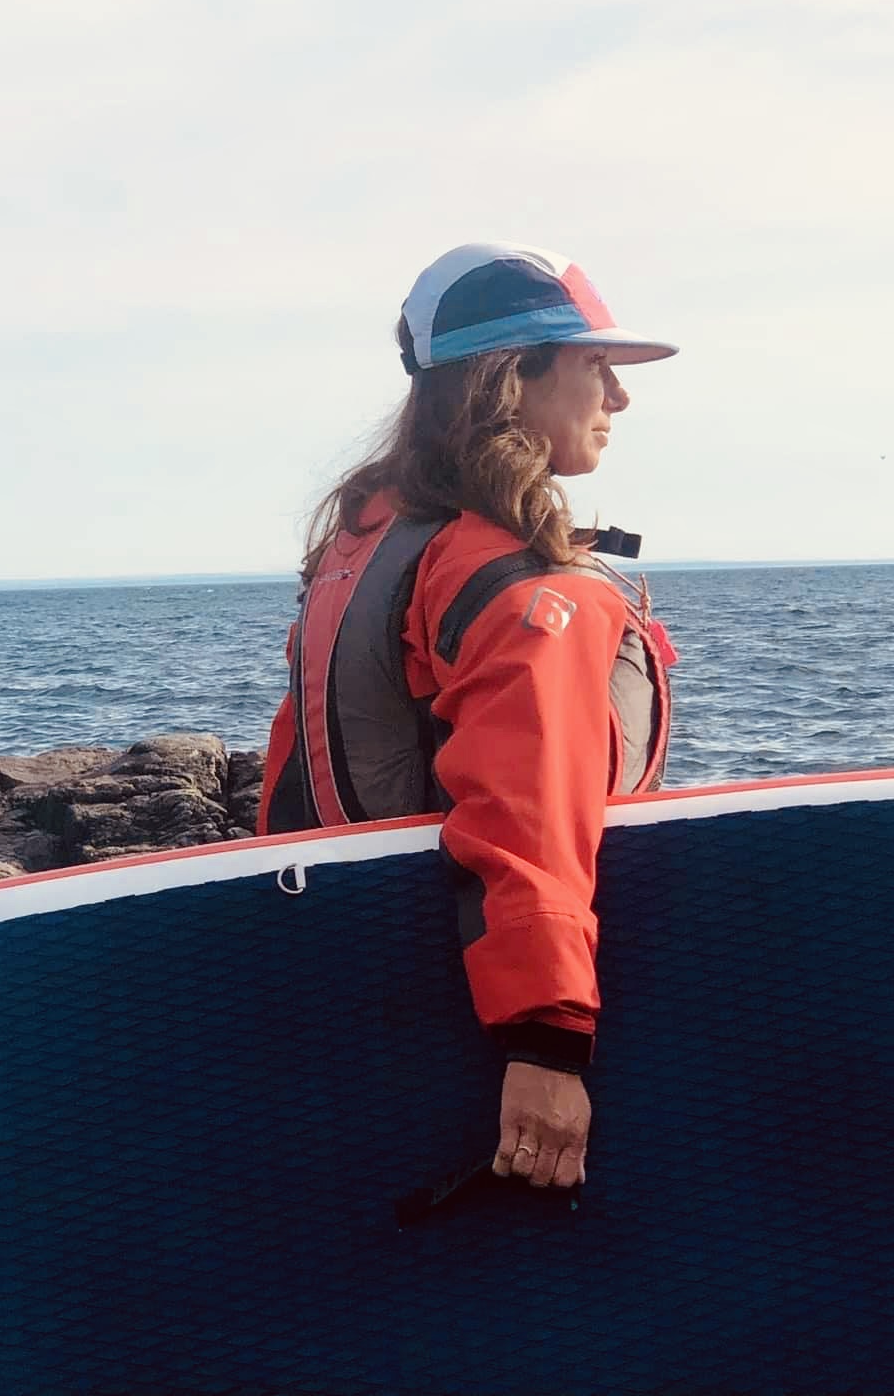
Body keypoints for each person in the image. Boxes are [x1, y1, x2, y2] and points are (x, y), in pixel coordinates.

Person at [257, 241, 679, 1194]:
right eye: (595, 367)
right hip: (494, 1023)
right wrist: (548, 1044)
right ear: (511, 381)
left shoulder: (365, 552)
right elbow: (526, 811)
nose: (618, 399)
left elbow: (289, 783)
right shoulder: (514, 578)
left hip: (374, 990)